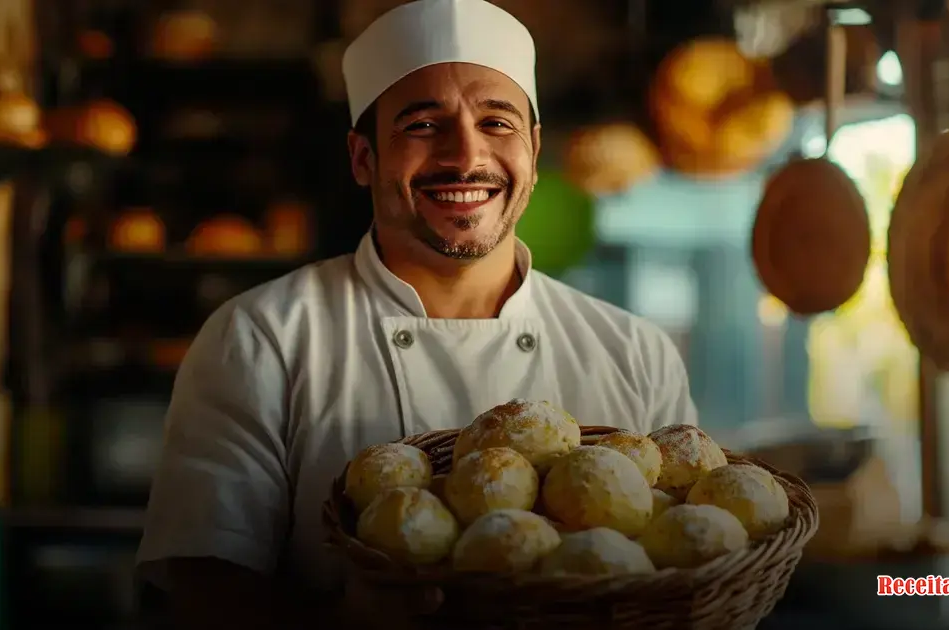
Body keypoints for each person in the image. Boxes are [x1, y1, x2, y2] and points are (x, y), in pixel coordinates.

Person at [135, 0, 699, 627]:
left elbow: (692, 569)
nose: (465, 156)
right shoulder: (262, 337)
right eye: (423, 125)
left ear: (534, 155)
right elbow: (205, 589)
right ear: (362, 158)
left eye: (497, 122)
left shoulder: (635, 354)